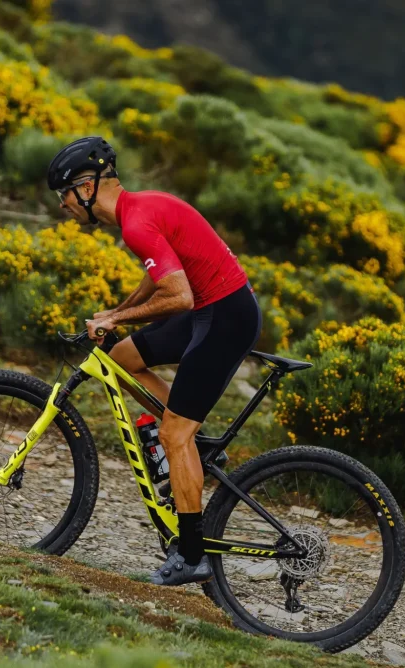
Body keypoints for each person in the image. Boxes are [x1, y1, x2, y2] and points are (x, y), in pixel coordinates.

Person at [47, 137, 262, 586]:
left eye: (64, 194)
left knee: (173, 435)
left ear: (86, 188)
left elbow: (178, 295)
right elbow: (158, 278)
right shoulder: (139, 209)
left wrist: (117, 318)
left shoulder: (136, 224)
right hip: (210, 309)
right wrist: (116, 313)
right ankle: (192, 448)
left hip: (224, 316)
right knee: (122, 357)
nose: (62, 204)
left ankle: (192, 555)